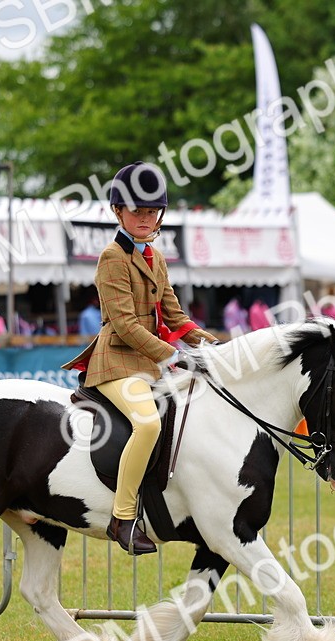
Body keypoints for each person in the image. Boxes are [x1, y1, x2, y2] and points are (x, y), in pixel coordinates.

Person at [62, 161, 217, 555]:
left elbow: (175, 316)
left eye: (152, 212)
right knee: (147, 424)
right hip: (116, 361)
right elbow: (127, 325)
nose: (146, 219)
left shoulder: (156, 258)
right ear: (118, 212)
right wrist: (172, 356)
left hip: (147, 362)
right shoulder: (112, 257)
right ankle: (123, 517)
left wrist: (207, 343)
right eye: (137, 212)